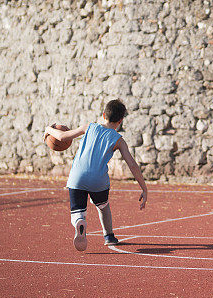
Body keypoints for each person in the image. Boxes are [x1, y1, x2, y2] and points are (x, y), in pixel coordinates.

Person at [44, 99, 148, 251]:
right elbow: (132, 164)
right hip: (98, 180)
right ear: (120, 121)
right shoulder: (118, 140)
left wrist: (48, 129)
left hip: (77, 176)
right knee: (103, 206)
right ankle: (109, 236)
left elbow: (61, 137)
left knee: (77, 211)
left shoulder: (89, 127)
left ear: (103, 114)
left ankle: (80, 221)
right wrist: (144, 188)